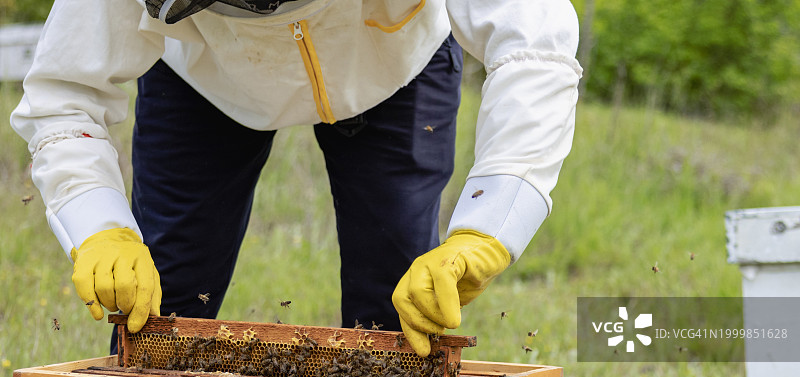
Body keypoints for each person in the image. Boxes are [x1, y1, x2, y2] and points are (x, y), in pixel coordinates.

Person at [11, 0, 582, 357]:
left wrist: (489, 226)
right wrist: (100, 229)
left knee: (398, 310)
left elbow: (536, 47)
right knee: (161, 305)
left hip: (390, 66)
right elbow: (64, 95)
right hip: (205, 78)